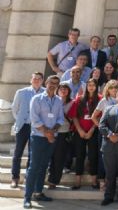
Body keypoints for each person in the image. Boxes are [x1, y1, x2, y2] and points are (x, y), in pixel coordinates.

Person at [24, 75, 64, 209]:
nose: (53, 85)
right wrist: (48, 133)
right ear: (46, 83)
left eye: (56, 83)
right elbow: (35, 120)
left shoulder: (59, 101)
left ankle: (39, 192)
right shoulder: (36, 99)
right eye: (51, 82)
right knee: (34, 166)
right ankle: (27, 198)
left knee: (44, 166)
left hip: (51, 138)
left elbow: (60, 119)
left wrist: (53, 132)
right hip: (38, 138)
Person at [10, 72, 44, 189]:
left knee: (32, 153)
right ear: (31, 80)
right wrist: (21, 119)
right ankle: (15, 178)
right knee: (18, 153)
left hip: (37, 127)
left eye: (39, 79)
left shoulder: (45, 93)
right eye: (34, 78)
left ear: (42, 81)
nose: (36, 80)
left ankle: (28, 178)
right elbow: (15, 109)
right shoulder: (21, 92)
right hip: (23, 126)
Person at [69, 78, 101, 189]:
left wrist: (91, 130)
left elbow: (100, 117)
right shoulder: (79, 99)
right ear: (86, 87)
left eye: (93, 85)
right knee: (79, 155)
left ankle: (94, 180)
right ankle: (78, 180)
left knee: (93, 155)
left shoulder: (100, 99)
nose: (91, 87)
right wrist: (80, 130)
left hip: (94, 131)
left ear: (96, 87)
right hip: (80, 132)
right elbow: (74, 116)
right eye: (89, 85)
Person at [46, 83, 73, 189]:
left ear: (69, 91)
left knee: (59, 157)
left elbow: (72, 117)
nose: (63, 91)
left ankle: (54, 181)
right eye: (61, 89)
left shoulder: (72, 103)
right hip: (50, 132)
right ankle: (47, 176)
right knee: (49, 156)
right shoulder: (53, 100)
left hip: (63, 132)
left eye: (66, 89)